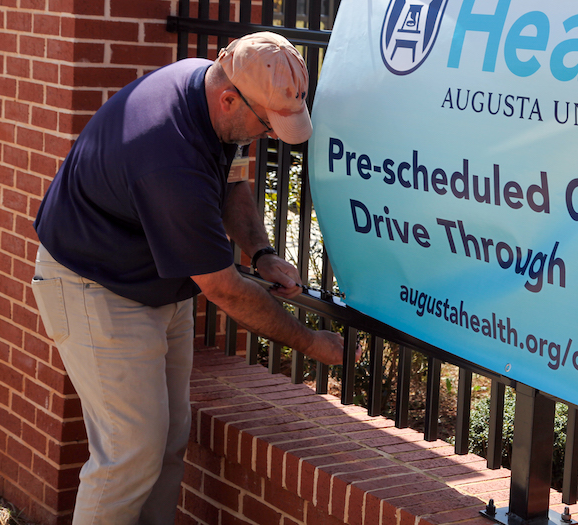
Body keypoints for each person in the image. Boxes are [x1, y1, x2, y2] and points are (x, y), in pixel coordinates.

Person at [31, 32, 350, 524]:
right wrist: (310, 343)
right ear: (229, 99)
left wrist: (261, 252)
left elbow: (233, 180)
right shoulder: (169, 155)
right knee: (129, 453)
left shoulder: (213, 89)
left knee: (169, 437)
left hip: (155, 279)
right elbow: (223, 289)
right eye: (267, 123)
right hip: (94, 286)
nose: (267, 134)